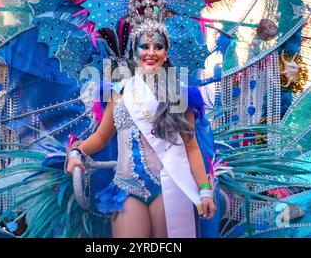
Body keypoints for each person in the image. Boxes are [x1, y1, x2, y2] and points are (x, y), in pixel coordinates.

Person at [65, 24, 217, 238]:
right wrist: (76, 153)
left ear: (166, 53)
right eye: (144, 46)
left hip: (167, 187)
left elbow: (191, 148)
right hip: (127, 188)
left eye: (159, 46)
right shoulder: (118, 93)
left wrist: (205, 190)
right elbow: (101, 137)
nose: (151, 52)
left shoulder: (177, 95)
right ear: (134, 52)